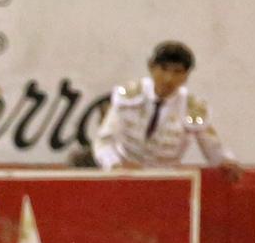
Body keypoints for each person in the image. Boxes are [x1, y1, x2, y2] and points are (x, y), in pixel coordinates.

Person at [92, 41, 242, 180]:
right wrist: (115, 165)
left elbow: (212, 147)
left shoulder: (191, 108)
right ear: (151, 67)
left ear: (186, 75)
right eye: (163, 69)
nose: (168, 78)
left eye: (178, 72)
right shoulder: (129, 97)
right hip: (125, 175)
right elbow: (104, 141)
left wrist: (226, 160)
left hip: (167, 179)